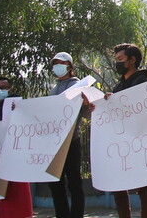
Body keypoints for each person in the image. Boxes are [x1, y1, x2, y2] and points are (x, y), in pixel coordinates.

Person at [106, 43, 147, 218]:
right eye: (116, 59)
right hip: (121, 142)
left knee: (143, 186)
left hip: (139, 139)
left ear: (132, 60)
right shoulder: (118, 87)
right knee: (119, 186)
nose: (117, 63)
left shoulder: (142, 82)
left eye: (120, 59)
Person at [47, 52, 86, 218]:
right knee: (55, 183)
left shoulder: (79, 85)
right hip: (54, 143)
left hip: (71, 140)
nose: (57, 66)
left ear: (70, 66)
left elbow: (87, 110)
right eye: (55, 63)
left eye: (61, 63)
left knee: (74, 182)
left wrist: (86, 102)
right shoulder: (53, 90)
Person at [0, 77, 33, 218]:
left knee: (16, 188)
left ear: (11, 89)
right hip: (1, 154)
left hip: (15, 153)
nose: (0, 90)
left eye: (3, 87)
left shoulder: (17, 104)